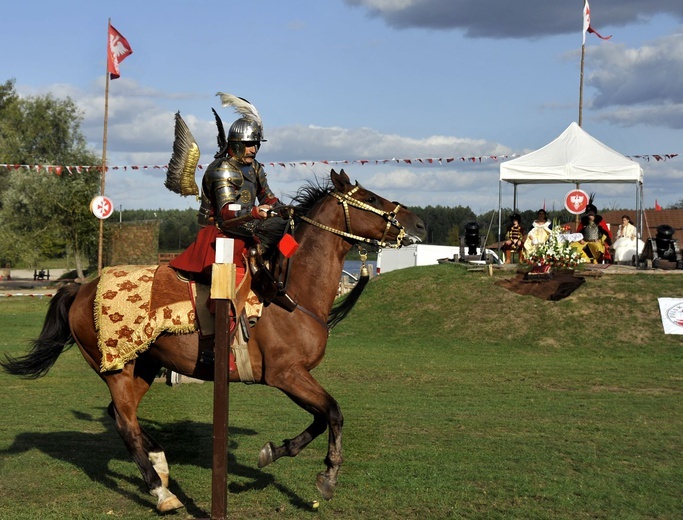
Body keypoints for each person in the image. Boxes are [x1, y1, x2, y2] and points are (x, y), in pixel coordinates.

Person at [169, 115, 280, 286]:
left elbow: (268, 198)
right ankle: (224, 312)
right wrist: (255, 212)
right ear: (236, 144)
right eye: (248, 145)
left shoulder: (255, 167)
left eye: (256, 145)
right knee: (227, 286)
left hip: (250, 232)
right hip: (222, 236)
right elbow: (226, 212)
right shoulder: (223, 170)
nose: (254, 150)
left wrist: (286, 210)